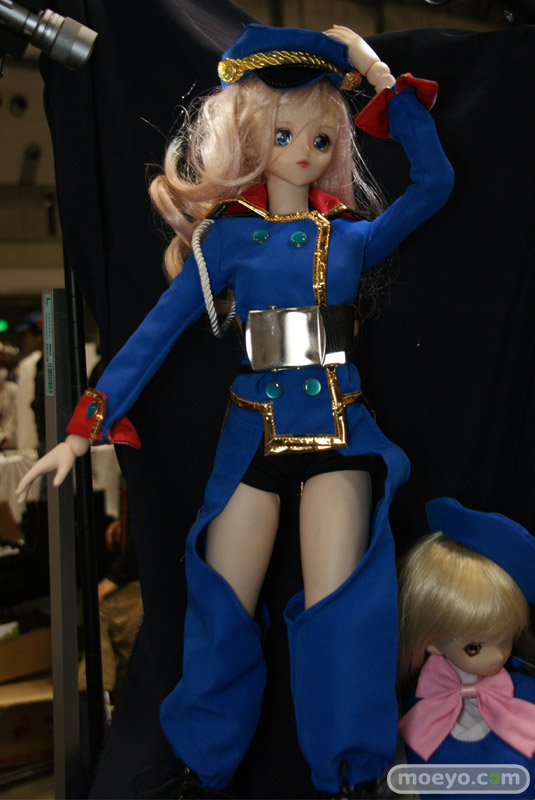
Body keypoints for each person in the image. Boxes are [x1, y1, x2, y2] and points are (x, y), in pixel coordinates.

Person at [16, 23, 453, 797]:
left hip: (338, 427)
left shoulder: (349, 238)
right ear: (251, 139)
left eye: (320, 138)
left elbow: (433, 184)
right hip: (253, 428)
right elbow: (152, 337)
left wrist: (383, 81)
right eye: (284, 135)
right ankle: (201, 765)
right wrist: (83, 429)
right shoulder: (224, 243)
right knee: (220, 602)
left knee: (341, 610)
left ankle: (348, 774)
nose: (303, 151)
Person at [397, 497, 535, 799]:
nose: (499, 655)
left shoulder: (528, 697)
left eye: (506, 636)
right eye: (474, 647)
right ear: (432, 642)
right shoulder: (413, 712)